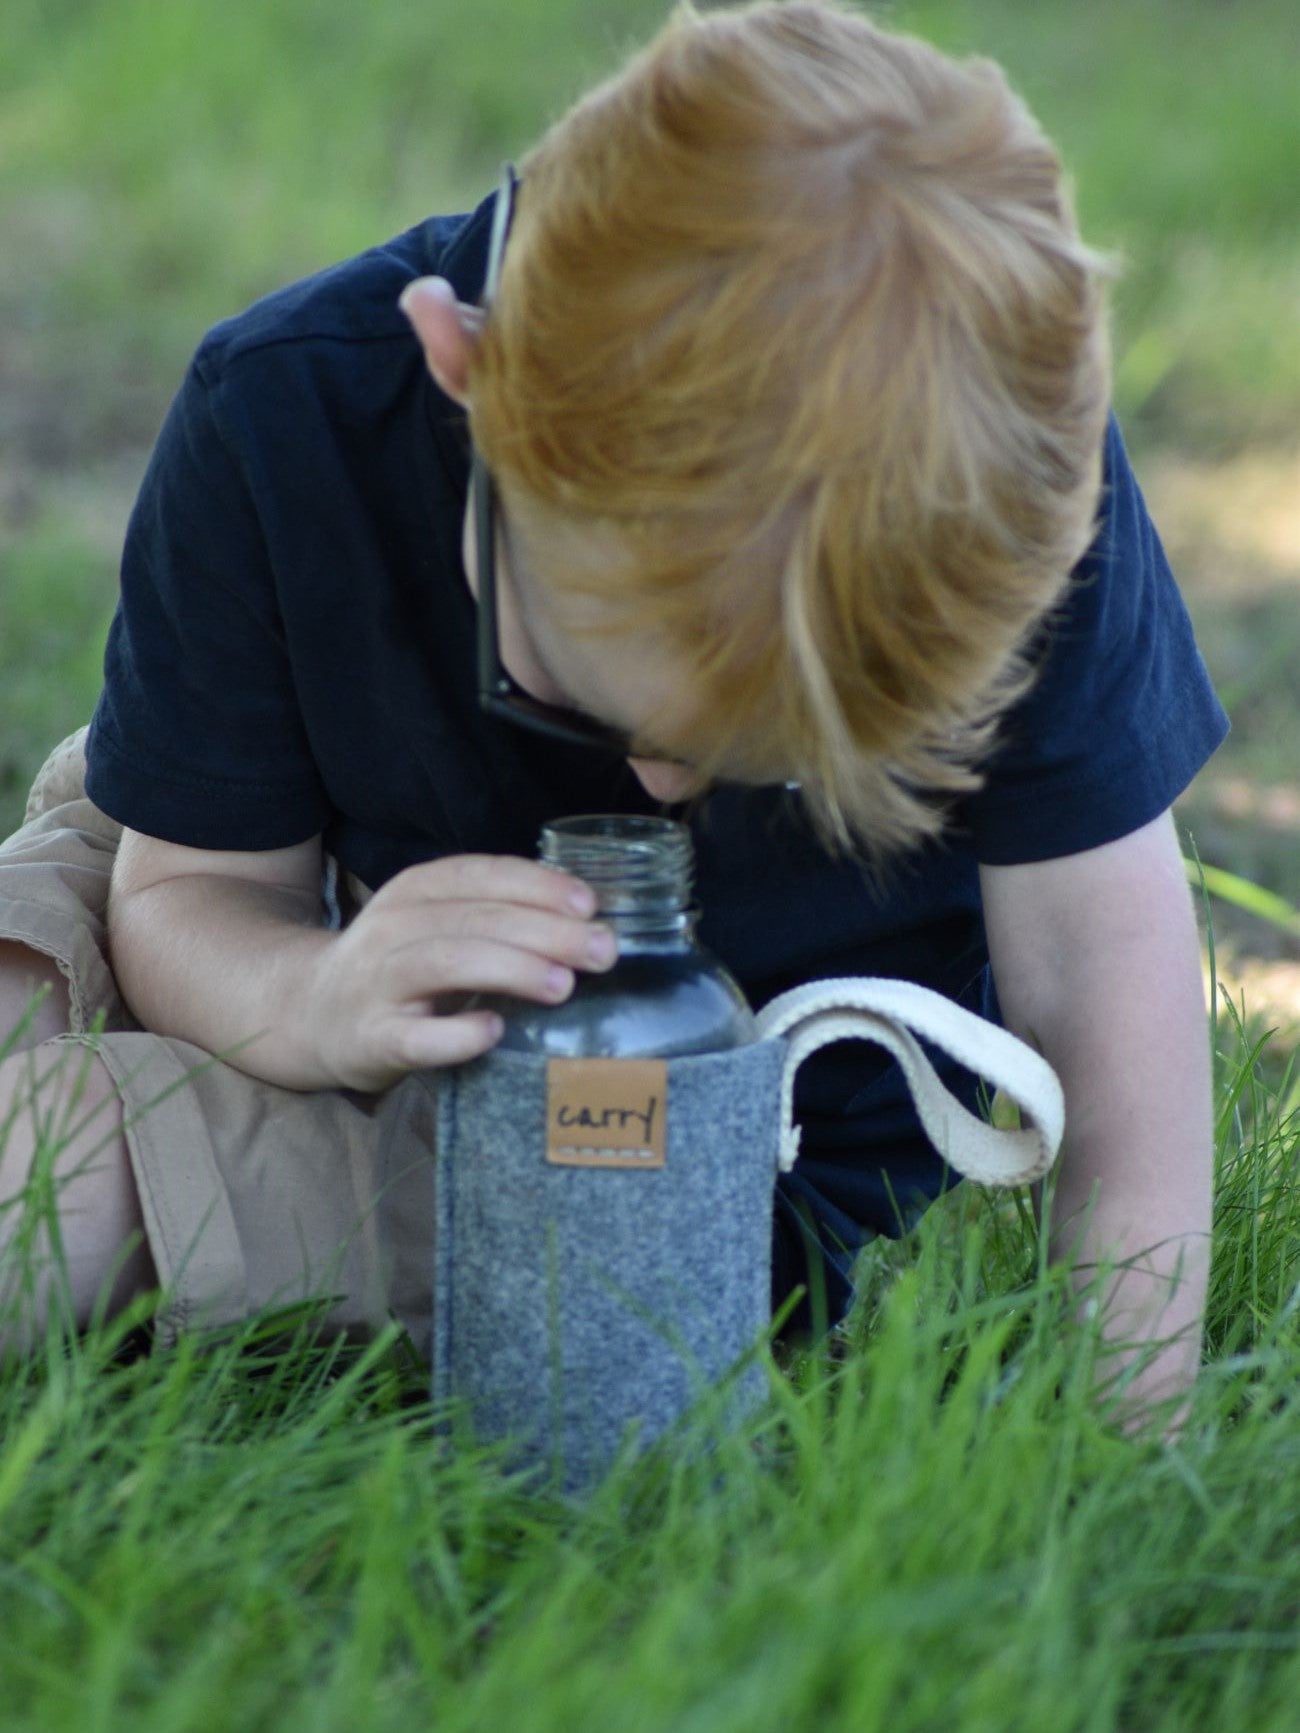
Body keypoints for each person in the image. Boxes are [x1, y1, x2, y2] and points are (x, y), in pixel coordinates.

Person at [0, 0, 1225, 1419]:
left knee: (55, 1167)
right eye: (586, 698)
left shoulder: (990, 517)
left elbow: (1100, 965)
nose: (655, 790)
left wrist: (1133, 1420)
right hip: (288, 904)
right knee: (54, 925)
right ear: (467, 375)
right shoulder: (284, 416)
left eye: (766, 760)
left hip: (624, 1128)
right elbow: (191, 878)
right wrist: (310, 993)